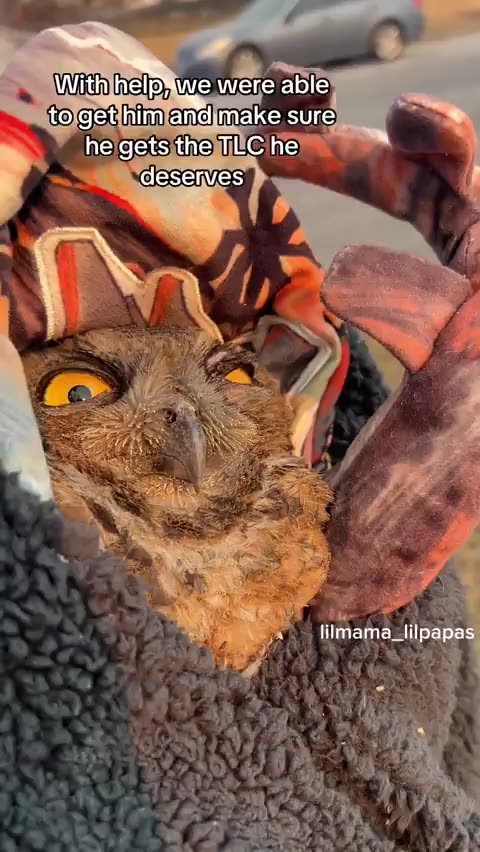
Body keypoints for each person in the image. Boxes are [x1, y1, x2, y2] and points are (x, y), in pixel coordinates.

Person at [1, 21, 480, 851]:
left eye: (225, 372)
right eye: (80, 388)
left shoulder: (325, 508)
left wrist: (404, 503)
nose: (183, 414)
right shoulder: (39, 596)